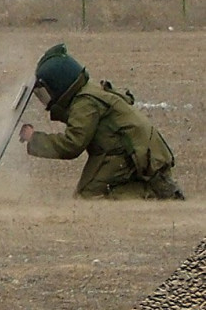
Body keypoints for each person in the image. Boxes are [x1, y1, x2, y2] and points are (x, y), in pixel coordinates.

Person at [19, 44, 184, 200]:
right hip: (130, 150)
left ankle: (153, 192)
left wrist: (34, 138)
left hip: (131, 154)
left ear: (60, 86)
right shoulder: (87, 93)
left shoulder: (85, 103)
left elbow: (72, 144)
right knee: (88, 194)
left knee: (90, 196)